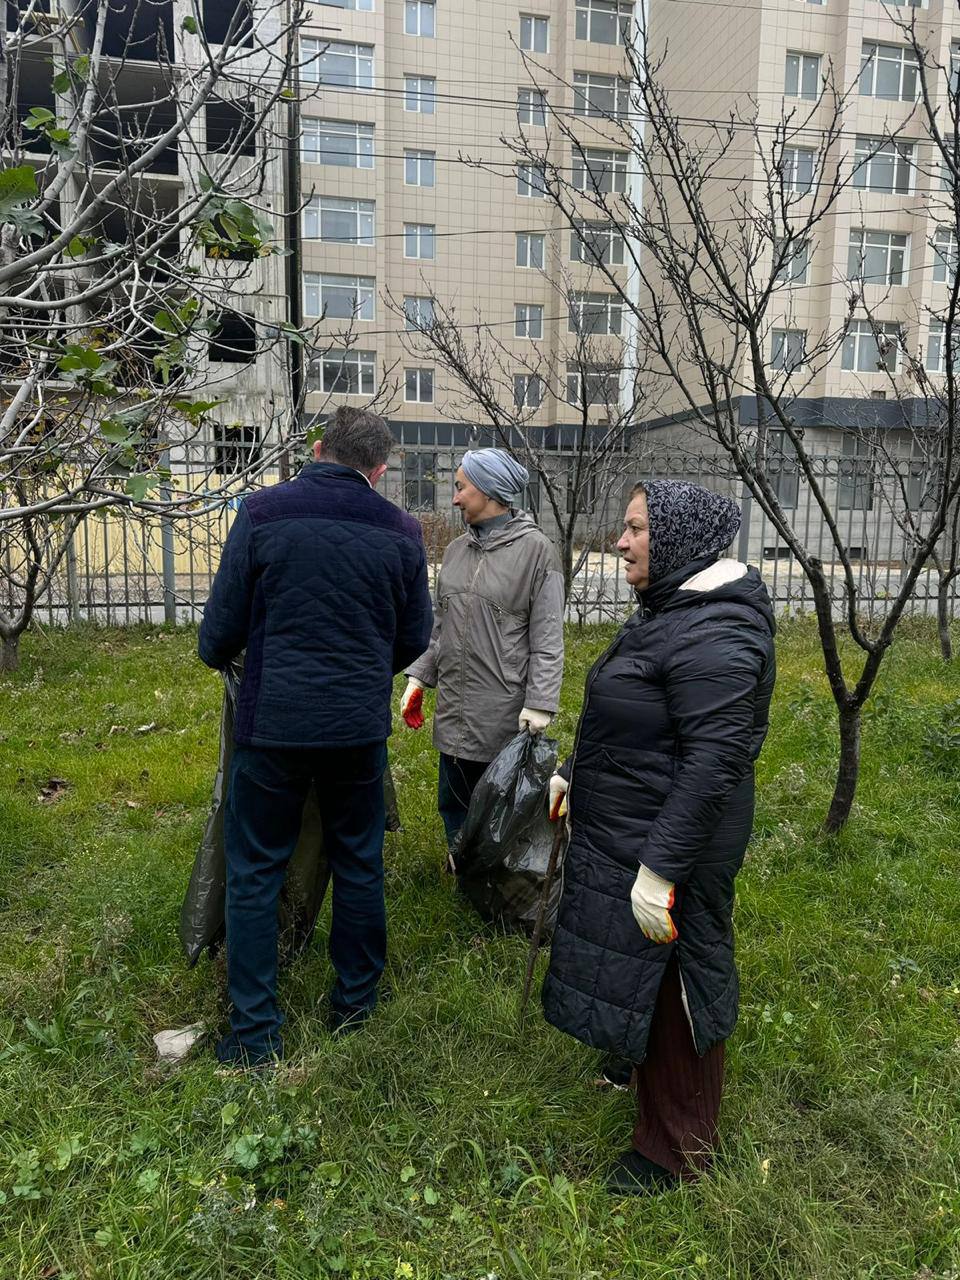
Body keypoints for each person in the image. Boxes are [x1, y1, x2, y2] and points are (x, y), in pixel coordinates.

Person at [541, 479, 776, 1193]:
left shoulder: (718, 630)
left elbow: (715, 762)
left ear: (676, 538)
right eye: (626, 526)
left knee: (678, 981)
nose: (621, 541)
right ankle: (635, 1071)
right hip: (632, 824)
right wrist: (575, 772)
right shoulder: (673, 612)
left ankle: (676, 1152)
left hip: (673, 843)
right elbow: (632, 714)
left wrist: (661, 869)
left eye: (637, 528)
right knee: (637, 965)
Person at [198, 407, 433, 1067]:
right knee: (359, 864)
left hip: (271, 728)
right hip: (357, 731)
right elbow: (415, 638)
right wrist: (359, 671)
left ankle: (254, 1033)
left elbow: (216, 637)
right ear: (379, 468)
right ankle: (354, 1008)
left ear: (318, 447)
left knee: (255, 872)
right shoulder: (402, 530)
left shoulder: (262, 514)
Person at [400, 447, 565, 858]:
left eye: (461, 487)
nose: (454, 498)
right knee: (452, 800)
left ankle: (494, 877)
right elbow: (441, 628)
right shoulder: (457, 551)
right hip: (454, 707)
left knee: (498, 805)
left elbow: (548, 637)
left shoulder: (537, 552)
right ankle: (460, 864)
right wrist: (420, 677)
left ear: (490, 491)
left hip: (503, 712)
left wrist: (541, 703)